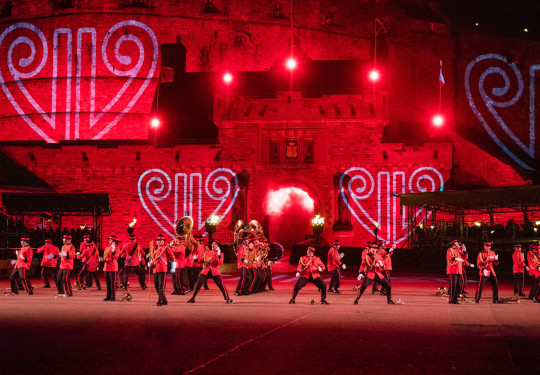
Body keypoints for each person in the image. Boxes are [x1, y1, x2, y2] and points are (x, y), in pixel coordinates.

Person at [148, 234, 175, 306]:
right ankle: (164, 299)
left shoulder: (166, 248)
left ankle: (160, 300)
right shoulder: (154, 248)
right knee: (156, 285)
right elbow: (152, 258)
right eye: (158, 240)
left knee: (161, 286)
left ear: (163, 241)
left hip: (162, 268)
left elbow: (172, 257)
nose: (159, 242)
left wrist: (173, 267)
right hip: (155, 269)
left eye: (160, 240)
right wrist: (150, 263)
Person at [101, 235, 120, 301]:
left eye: (110, 240)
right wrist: (103, 259)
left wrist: (113, 250)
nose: (109, 241)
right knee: (108, 283)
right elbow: (105, 256)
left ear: (113, 241)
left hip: (112, 267)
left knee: (112, 283)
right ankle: (108, 296)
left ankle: (113, 296)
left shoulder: (117, 248)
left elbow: (116, 257)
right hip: (106, 267)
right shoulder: (107, 247)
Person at [445, 240, 463, 304]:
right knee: (454, 285)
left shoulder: (458, 250)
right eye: (457, 243)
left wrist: (465, 251)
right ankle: (451, 300)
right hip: (453, 269)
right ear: (453, 245)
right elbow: (449, 257)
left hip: (459, 270)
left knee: (458, 286)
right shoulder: (450, 250)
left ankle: (455, 300)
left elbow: (464, 256)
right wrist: (455, 258)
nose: (458, 244)